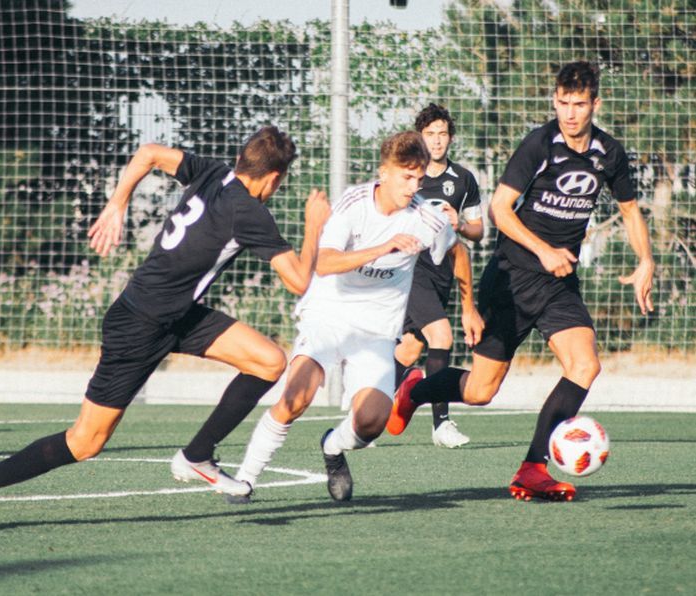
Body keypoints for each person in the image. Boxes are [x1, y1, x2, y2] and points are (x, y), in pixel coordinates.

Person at [0, 126, 331, 534]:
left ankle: (197, 456)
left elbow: (149, 152)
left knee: (268, 361)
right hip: (138, 325)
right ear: (274, 177)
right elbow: (298, 280)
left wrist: (117, 204)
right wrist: (314, 227)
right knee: (86, 441)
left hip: (178, 315)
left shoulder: (212, 172)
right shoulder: (249, 211)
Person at [387, 61, 655, 501]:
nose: (570, 114)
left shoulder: (610, 152)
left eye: (580, 105)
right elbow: (500, 209)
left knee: (585, 365)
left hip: (558, 283)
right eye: (563, 103)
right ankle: (416, 390)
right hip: (510, 279)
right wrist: (543, 250)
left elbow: (628, 210)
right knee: (479, 390)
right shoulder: (538, 144)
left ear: (595, 104)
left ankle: (532, 468)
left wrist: (645, 260)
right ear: (555, 101)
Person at [230, 131, 484, 503]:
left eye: (418, 177)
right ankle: (246, 480)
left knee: (372, 422)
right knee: (296, 397)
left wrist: (469, 308)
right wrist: (384, 246)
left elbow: (457, 253)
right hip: (329, 314)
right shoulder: (354, 203)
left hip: (377, 330)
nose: (413, 185)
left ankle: (333, 447)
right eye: (405, 176)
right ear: (384, 172)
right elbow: (325, 261)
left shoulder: (429, 219)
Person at [392, 103, 484, 448]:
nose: (436, 141)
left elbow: (477, 231)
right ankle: (441, 424)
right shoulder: (409, 178)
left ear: (451, 137)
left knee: (409, 349)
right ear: (419, 137)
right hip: (411, 271)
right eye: (429, 134)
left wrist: (459, 222)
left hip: (443, 273)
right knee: (441, 337)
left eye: (442, 134)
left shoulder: (463, 180)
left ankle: (363, 411)